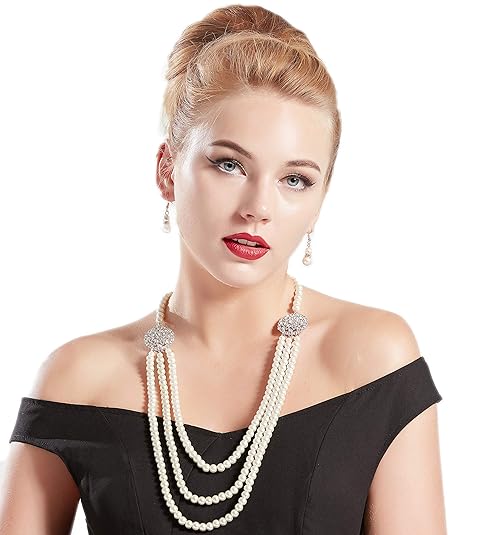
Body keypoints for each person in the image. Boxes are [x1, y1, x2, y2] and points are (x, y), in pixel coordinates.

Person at [0, 4, 446, 534]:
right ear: (167, 170)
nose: (258, 207)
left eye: (295, 179)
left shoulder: (373, 358)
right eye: (229, 165)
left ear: (321, 199)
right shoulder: (79, 379)